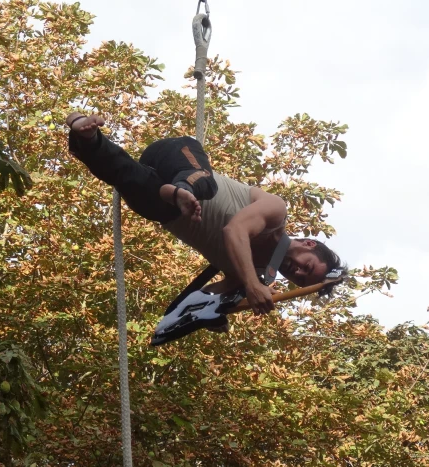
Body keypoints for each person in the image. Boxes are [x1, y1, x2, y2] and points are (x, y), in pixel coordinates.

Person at [65, 112, 347, 316]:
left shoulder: (250, 272)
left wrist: (219, 311)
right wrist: (251, 284)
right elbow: (234, 231)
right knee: (204, 185)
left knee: (127, 178)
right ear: (309, 244)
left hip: (163, 206)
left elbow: (201, 298)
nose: (296, 272)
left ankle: (87, 137)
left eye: (299, 279)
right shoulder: (275, 215)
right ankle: (180, 190)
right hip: (179, 158)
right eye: (306, 267)